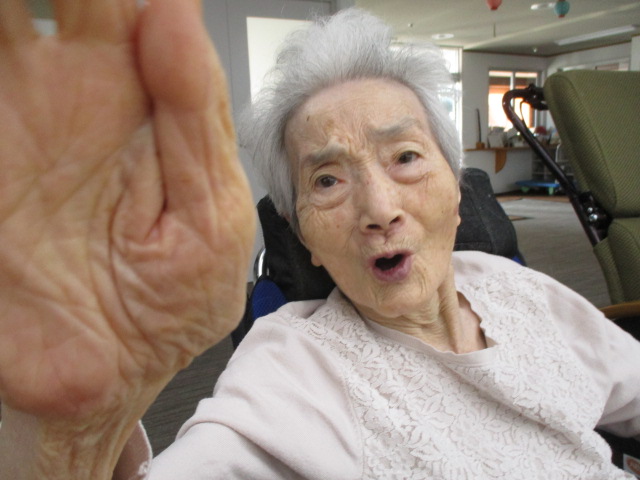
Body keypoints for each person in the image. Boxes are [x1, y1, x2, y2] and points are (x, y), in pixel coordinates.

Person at [0, 4, 639, 480]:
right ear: (303, 233)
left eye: (405, 157)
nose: (379, 210)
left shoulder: (522, 289)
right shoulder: (297, 365)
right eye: (327, 180)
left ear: (456, 190)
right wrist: (74, 434)